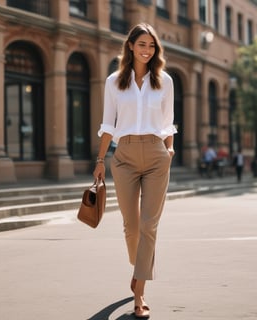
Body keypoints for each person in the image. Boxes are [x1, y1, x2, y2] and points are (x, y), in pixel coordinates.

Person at [93, 23, 177, 318]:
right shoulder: (114, 82)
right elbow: (108, 124)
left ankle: (138, 292)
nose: (147, 50)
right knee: (131, 226)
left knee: (148, 225)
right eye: (142, 44)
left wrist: (169, 149)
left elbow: (168, 121)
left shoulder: (164, 81)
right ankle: (138, 268)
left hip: (156, 154)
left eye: (152, 46)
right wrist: (101, 160)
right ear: (130, 46)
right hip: (124, 155)